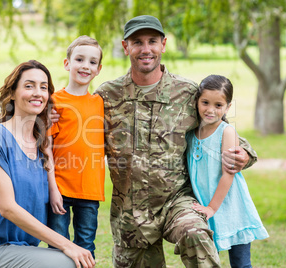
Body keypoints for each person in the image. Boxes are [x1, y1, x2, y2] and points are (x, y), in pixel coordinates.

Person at [93, 15, 258, 267]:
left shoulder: (188, 92)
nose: (146, 49)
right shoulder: (107, 95)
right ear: (126, 47)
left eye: (152, 41)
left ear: (164, 44)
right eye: (137, 42)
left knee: (196, 234)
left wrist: (244, 154)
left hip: (177, 202)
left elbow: (222, 129)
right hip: (131, 212)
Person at [0, 60, 95, 268]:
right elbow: (8, 209)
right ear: (12, 93)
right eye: (29, 86)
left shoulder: (42, 146)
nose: (37, 93)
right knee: (69, 262)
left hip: (21, 249)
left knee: (79, 260)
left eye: (43, 87)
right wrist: (68, 245)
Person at [186, 74, 269, 268]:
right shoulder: (192, 131)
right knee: (208, 258)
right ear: (197, 101)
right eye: (205, 102)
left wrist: (212, 208)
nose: (210, 110)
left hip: (231, 205)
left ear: (228, 107)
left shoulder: (226, 131)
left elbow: (228, 174)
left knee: (240, 263)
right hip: (206, 201)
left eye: (218, 105)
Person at [47, 35, 105, 259]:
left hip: (89, 190)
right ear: (67, 63)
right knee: (58, 248)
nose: (85, 66)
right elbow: (46, 150)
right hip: (59, 188)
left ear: (99, 69)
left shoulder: (100, 102)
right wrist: (52, 188)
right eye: (79, 59)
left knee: (86, 247)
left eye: (92, 62)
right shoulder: (53, 102)